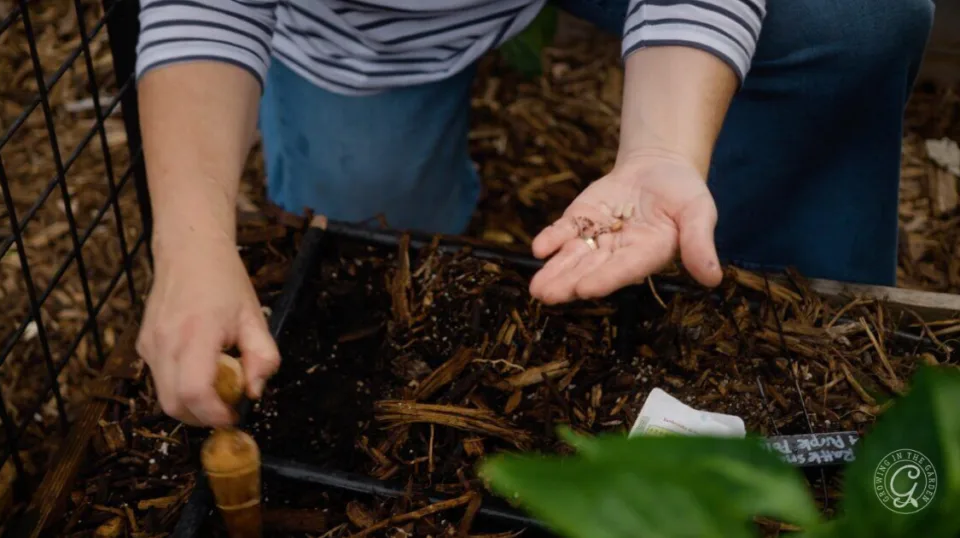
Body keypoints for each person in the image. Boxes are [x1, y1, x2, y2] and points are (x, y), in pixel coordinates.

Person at [132, 0, 935, 427]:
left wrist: (664, 151)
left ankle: (779, 313)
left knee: (854, 16)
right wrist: (191, 241)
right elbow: (205, 8)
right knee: (367, 247)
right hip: (360, 22)